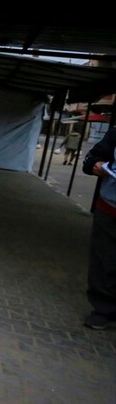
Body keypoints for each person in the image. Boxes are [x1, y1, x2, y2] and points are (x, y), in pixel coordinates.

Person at [80, 126, 116, 330]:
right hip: (109, 208)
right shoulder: (115, 133)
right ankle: (103, 309)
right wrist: (96, 164)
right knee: (104, 260)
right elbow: (91, 159)